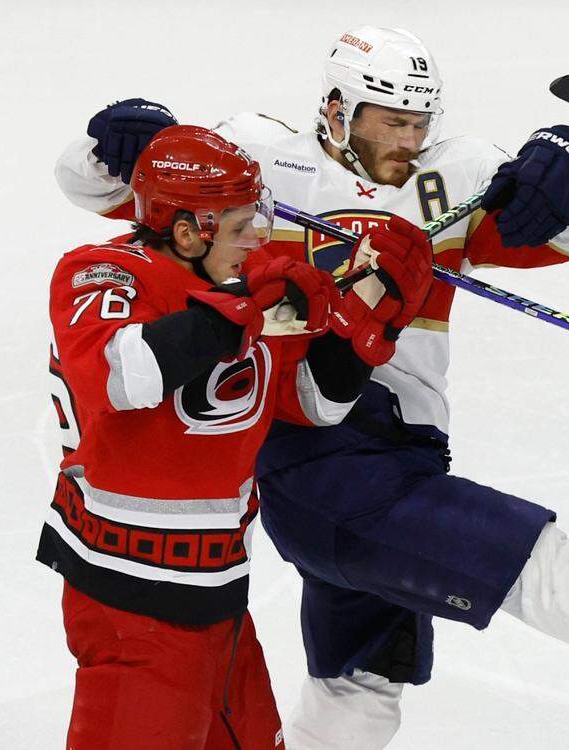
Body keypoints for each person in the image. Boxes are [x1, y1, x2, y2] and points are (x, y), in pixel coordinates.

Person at [54, 27, 569, 750]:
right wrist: (118, 142)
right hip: (318, 458)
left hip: (400, 448)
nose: (409, 138)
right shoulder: (259, 163)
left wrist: (566, 174)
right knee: (545, 564)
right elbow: (114, 189)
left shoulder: (455, 177)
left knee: (363, 678)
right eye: (392, 119)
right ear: (339, 111)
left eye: (422, 119)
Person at [40, 124, 434, 749]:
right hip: (129, 608)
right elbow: (119, 373)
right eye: (240, 225)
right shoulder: (103, 273)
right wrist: (240, 305)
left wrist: (368, 315)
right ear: (187, 229)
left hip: (217, 604)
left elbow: (314, 404)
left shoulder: (248, 285)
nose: (257, 238)